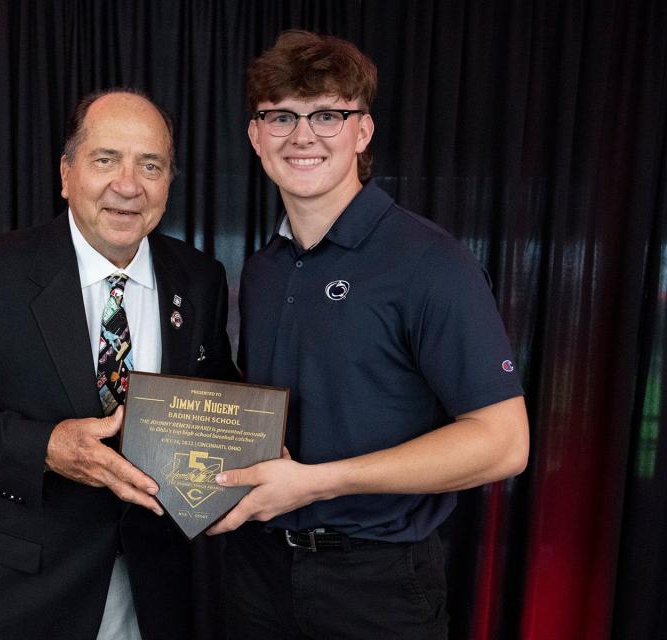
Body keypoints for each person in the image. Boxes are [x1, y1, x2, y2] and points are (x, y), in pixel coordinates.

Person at [206, 30, 530, 639]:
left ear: (363, 131)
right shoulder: (262, 269)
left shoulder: (431, 263)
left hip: (377, 585)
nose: (303, 136)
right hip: (257, 570)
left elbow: (503, 444)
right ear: (255, 136)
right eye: (280, 117)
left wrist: (315, 482)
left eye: (328, 114)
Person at [0, 89, 235, 640]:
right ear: (66, 173)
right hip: (23, 596)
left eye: (150, 165)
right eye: (106, 160)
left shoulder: (200, 278)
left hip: (161, 590)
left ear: (169, 182)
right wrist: (47, 448)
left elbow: (213, 403)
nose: (128, 185)